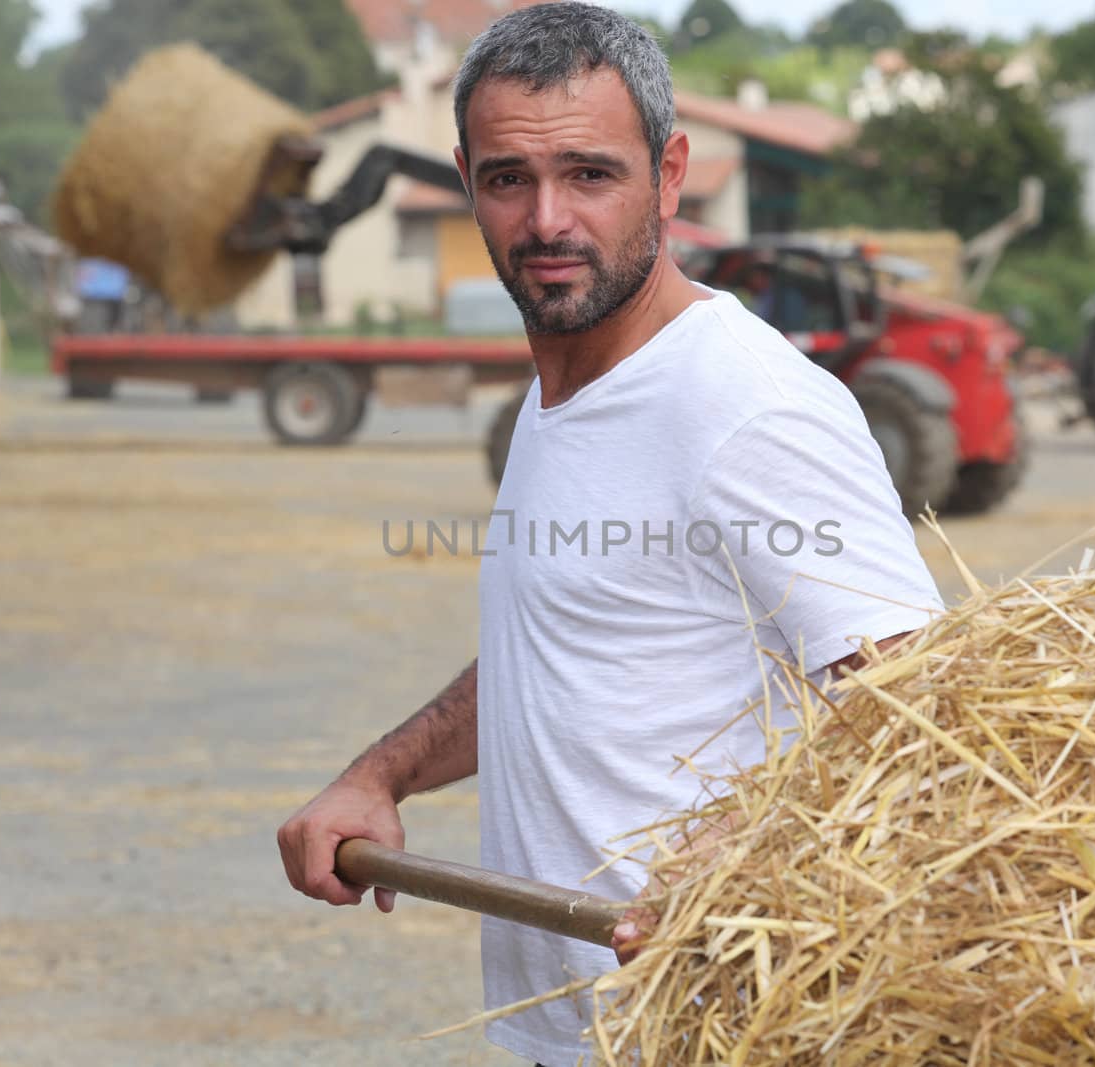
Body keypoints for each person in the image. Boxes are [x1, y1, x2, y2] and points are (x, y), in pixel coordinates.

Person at [276, 6, 943, 1064]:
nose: (547, 220)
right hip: (575, 1032)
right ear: (465, 180)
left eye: (590, 174)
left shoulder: (743, 406)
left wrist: (727, 864)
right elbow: (571, 650)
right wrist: (381, 773)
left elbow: (924, 709)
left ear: (668, 175)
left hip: (715, 1030)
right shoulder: (568, 391)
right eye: (508, 179)